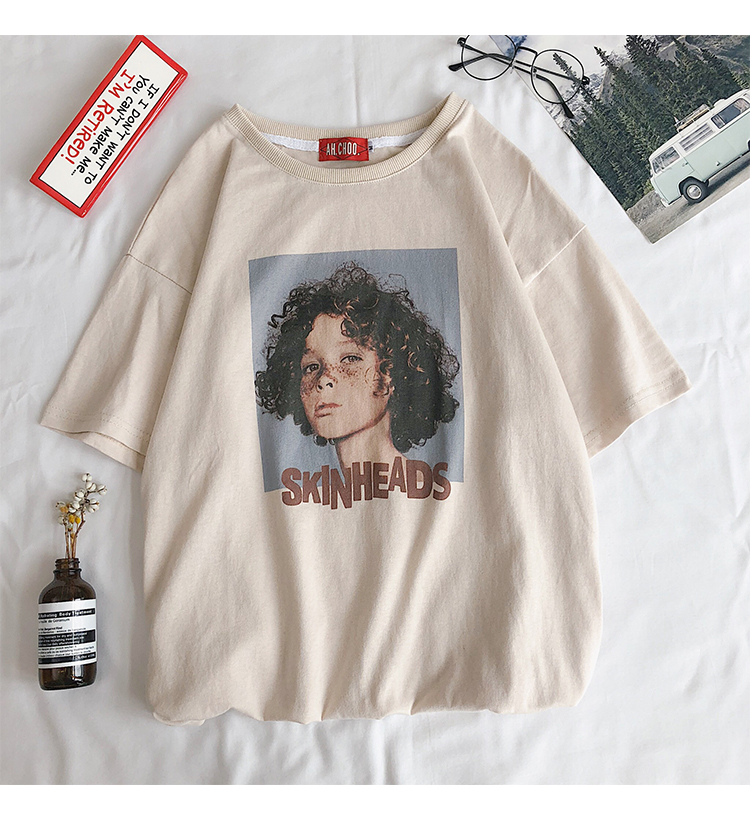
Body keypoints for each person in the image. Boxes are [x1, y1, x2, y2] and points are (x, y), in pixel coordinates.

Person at [255, 262, 460, 471]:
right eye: (311, 367)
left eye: (350, 359)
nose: (324, 379)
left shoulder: (425, 485)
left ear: (391, 372)